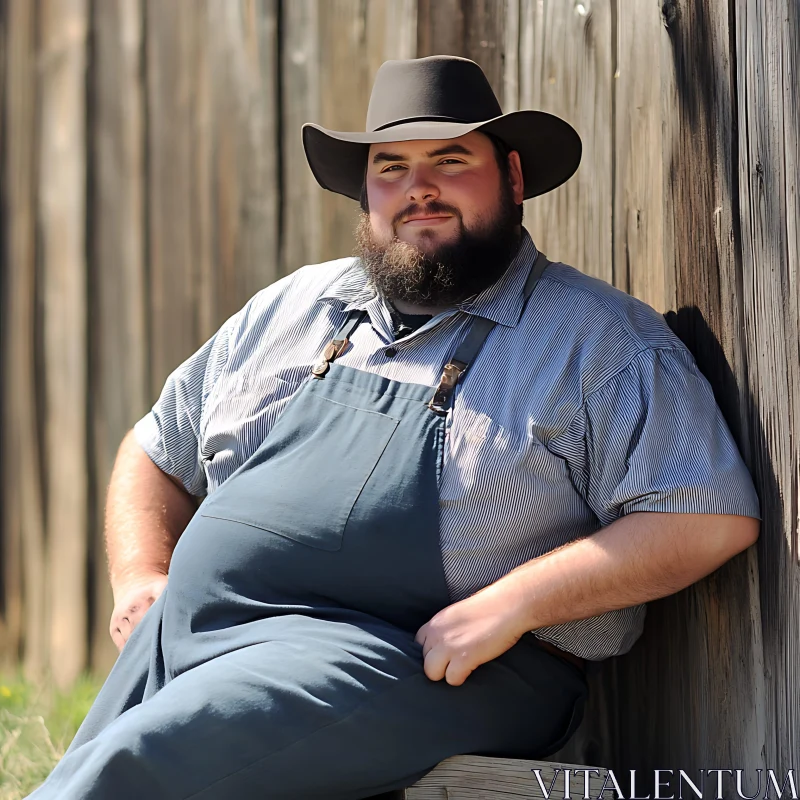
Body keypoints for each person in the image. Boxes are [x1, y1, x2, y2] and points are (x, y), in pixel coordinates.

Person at [29, 55, 760, 800]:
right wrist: (141, 576)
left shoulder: (593, 341)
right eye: (392, 166)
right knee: (91, 772)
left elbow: (705, 515)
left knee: (132, 769)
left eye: (450, 160)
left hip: (416, 663)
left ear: (511, 177)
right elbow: (155, 445)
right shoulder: (293, 308)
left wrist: (511, 605)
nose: (420, 189)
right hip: (191, 636)